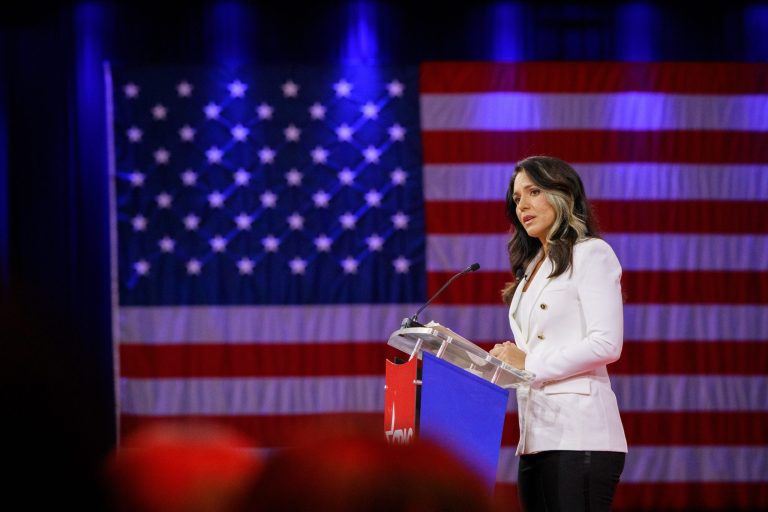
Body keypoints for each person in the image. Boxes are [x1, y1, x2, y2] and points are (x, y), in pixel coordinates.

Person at [490, 156, 627, 512]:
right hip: (535, 439)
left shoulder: (591, 253)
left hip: (581, 435)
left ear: (563, 194)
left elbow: (606, 343)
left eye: (534, 192)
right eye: (517, 197)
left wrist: (529, 363)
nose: (522, 205)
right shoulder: (531, 269)